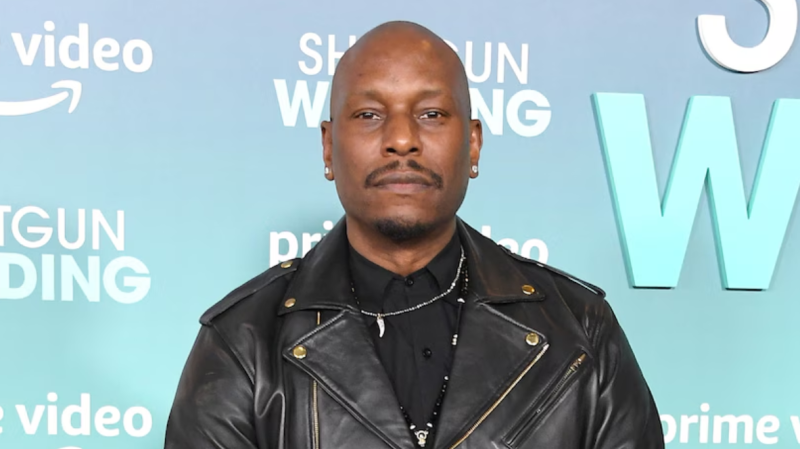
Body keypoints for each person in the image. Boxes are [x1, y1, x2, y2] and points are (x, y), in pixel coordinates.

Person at [164, 20, 664, 449]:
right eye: (369, 115)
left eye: (431, 115)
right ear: (328, 147)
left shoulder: (579, 329)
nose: (402, 139)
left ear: (473, 145)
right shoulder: (242, 343)